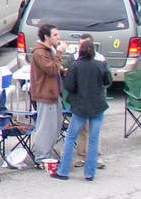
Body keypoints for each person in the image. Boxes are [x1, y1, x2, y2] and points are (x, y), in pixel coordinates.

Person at [58, 35, 110, 181]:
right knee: (93, 139)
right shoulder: (100, 64)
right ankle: (90, 173)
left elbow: (69, 86)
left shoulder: (75, 66)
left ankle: (63, 171)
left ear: (80, 52)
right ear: (94, 52)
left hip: (80, 106)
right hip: (98, 105)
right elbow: (108, 80)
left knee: (70, 138)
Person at [29, 22, 66, 163]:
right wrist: (60, 53)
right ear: (46, 36)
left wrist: (62, 71)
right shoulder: (39, 52)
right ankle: (41, 156)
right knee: (46, 127)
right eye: (55, 35)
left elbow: (54, 69)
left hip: (54, 93)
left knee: (56, 124)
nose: (58, 37)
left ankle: (48, 152)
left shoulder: (49, 50)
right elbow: (50, 69)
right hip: (45, 95)